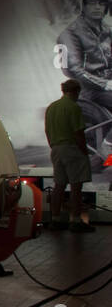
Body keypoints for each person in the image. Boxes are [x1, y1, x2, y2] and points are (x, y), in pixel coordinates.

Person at [56, 0, 112, 167]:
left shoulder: (107, 30)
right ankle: (107, 146)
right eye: (93, 3)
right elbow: (74, 69)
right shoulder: (70, 33)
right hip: (87, 89)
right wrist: (104, 84)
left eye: (102, 4)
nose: (98, 7)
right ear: (84, 5)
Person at [45, 78, 95, 232]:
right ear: (75, 91)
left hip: (56, 149)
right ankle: (75, 220)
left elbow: (47, 131)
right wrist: (84, 151)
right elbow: (78, 132)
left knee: (58, 186)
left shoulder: (52, 108)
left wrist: (54, 145)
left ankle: (55, 219)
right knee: (76, 186)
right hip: (72, 149)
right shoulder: (73, 107)